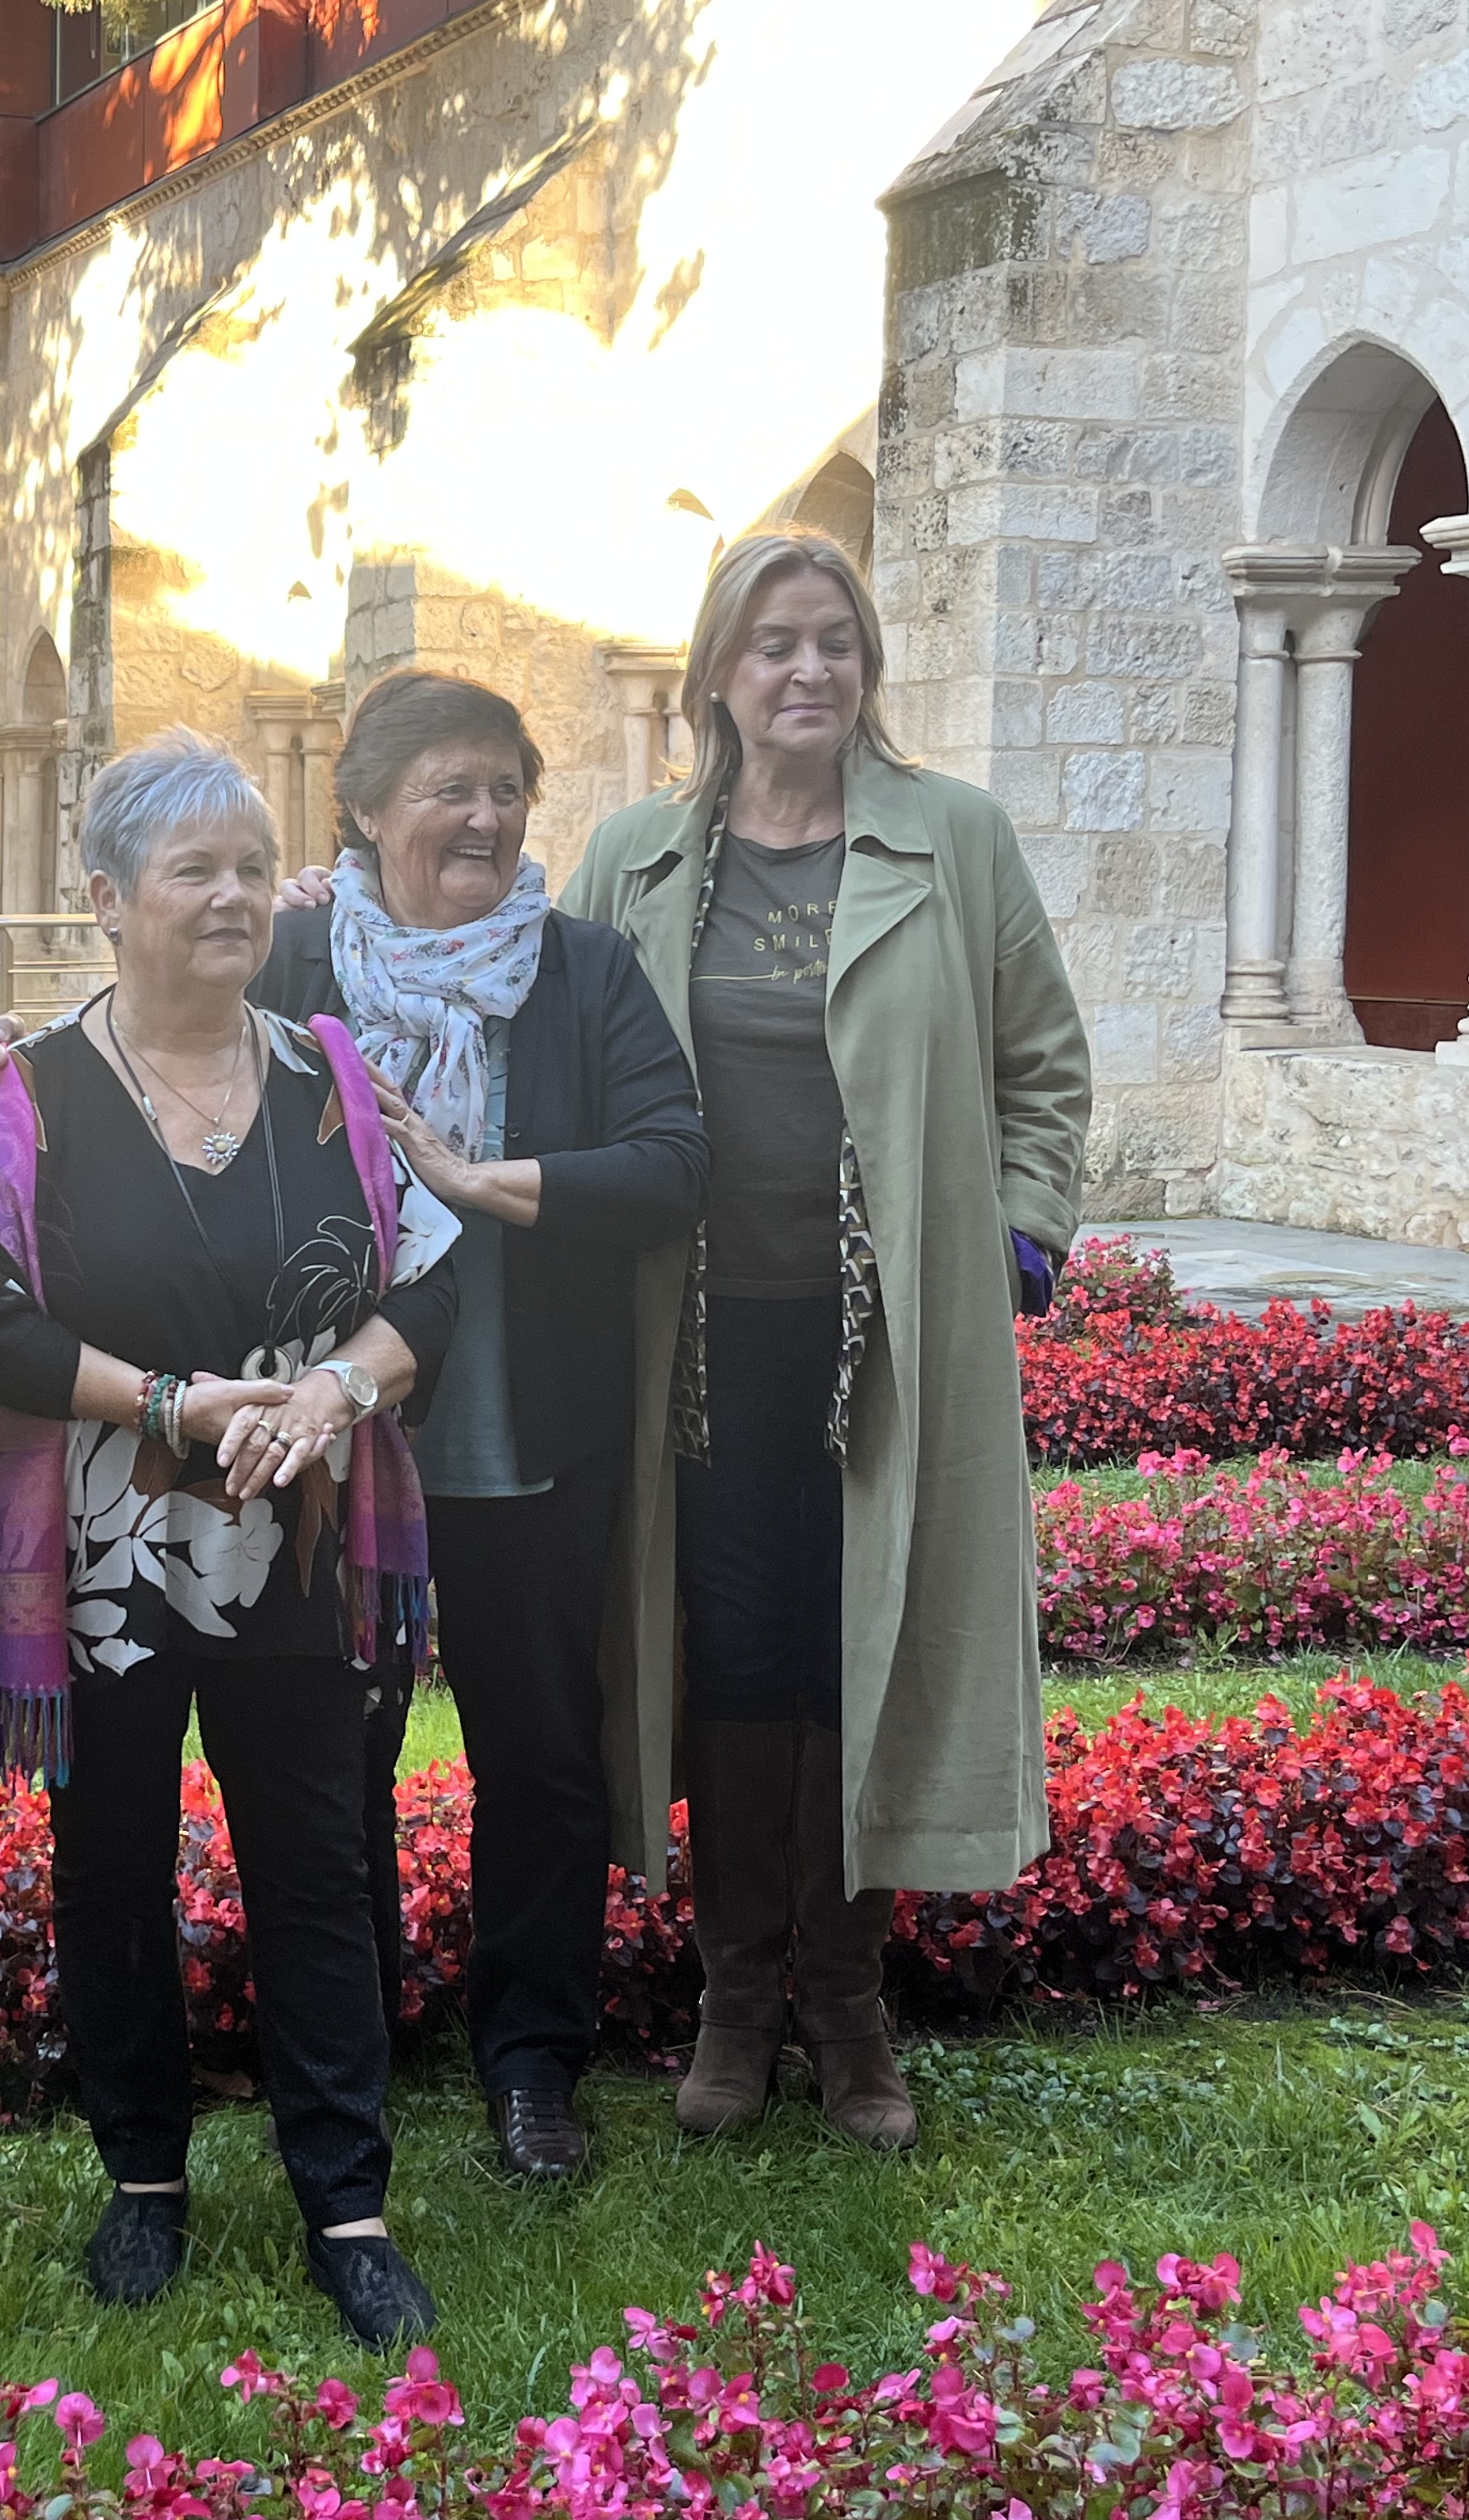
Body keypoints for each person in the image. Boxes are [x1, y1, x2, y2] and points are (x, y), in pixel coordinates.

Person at [557, 528, 1092, 2151]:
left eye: (836, 643)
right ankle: (733, 2002)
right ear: (717, 672)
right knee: (737, 1661)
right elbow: (541, 1043)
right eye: (776, 644)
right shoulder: (634, 860)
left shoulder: (956, 839)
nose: (809, 671)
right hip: (699, 1339)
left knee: (866, 1645)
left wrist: (1015, 1236)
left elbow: (1043, 1065)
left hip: (895, 1342)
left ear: (867, 667)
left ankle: (851, 2012)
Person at [0, 728, 458, 2351]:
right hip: (105, 1550)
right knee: (111, 1869)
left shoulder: (330, 1078)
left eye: (253, 866)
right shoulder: (29, 1099)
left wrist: (338, 1386)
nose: (235, 897)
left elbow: (429, 1285)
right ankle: (143, 2178)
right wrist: (171, 1403)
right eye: (194, 871)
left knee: (313, 1862)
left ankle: (348, 2204)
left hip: (294, 1537)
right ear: (109, 899)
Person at [245, 669, 707, 2182]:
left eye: (506, 785)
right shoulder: (288, 953)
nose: (488, 814)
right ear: (364, 810)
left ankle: (531, 2064)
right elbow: (155, 1079)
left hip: (531, 1432)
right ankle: (349, 2048)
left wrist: (483, 1181)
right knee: (333, 1755)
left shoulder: (578, 970)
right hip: (340, 1432)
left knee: (542, 1755)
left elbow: (669, 1164)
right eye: (450, 785)